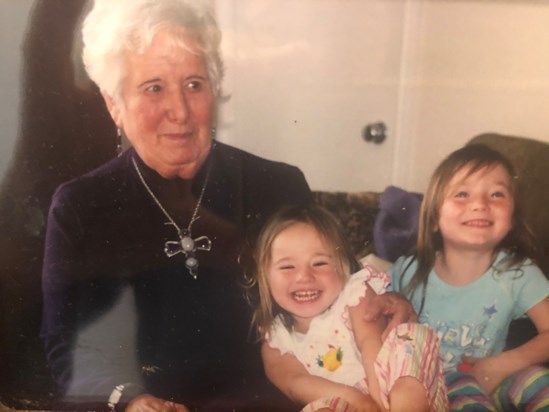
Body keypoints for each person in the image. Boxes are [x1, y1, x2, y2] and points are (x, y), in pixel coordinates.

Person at [40, 1, 414, 411]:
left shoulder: (278, 186)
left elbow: (349, 292)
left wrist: (390, 307)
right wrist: (131, 401)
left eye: (194, 84)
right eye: (154, 87)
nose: (179, 111)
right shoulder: (82, 207)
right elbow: (70, 347)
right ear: (114, 103)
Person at [389, 144, 549, 411]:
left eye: (497, 194)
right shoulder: (408, 271)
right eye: (462, 194)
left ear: (512, 218)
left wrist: (502, 364)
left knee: (537, 380)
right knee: (461, 387)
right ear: (433, 218)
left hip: (491, 382)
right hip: (421, 393)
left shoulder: (517, 272)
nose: (479, 204)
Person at [249, 204, 448, 412]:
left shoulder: (355, 295)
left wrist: (379, 402)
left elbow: (371, 344)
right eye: (287, 267)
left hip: (394, 388)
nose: (304, 277)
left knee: (409, 337)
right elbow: (294, 383)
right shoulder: (276, 340)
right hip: (345, 400)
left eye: (319, 263)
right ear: (264, 276)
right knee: (321, 408)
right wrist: (358, 401)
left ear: (343, 265)